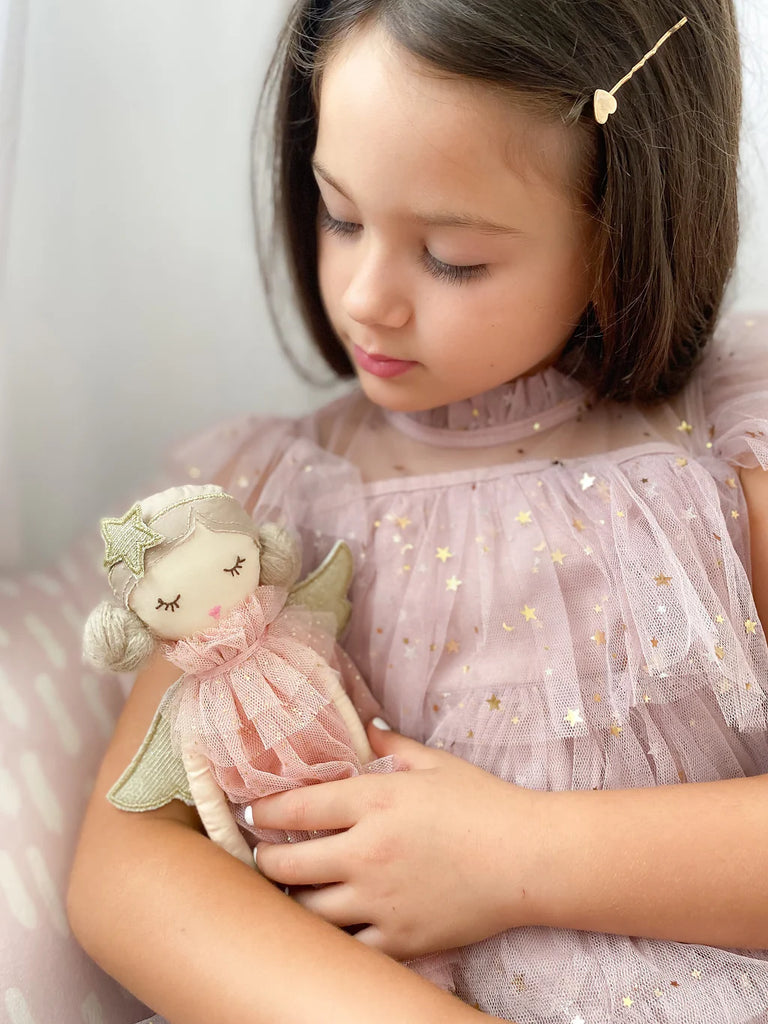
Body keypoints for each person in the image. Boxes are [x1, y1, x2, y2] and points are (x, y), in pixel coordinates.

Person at [66, 1, 768, 1022]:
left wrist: (520, 856)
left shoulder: (727, 450)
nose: (366, 298)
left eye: (452, 257)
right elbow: (130, 865)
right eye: (340, 215)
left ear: (624, 231)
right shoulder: (264, 521)